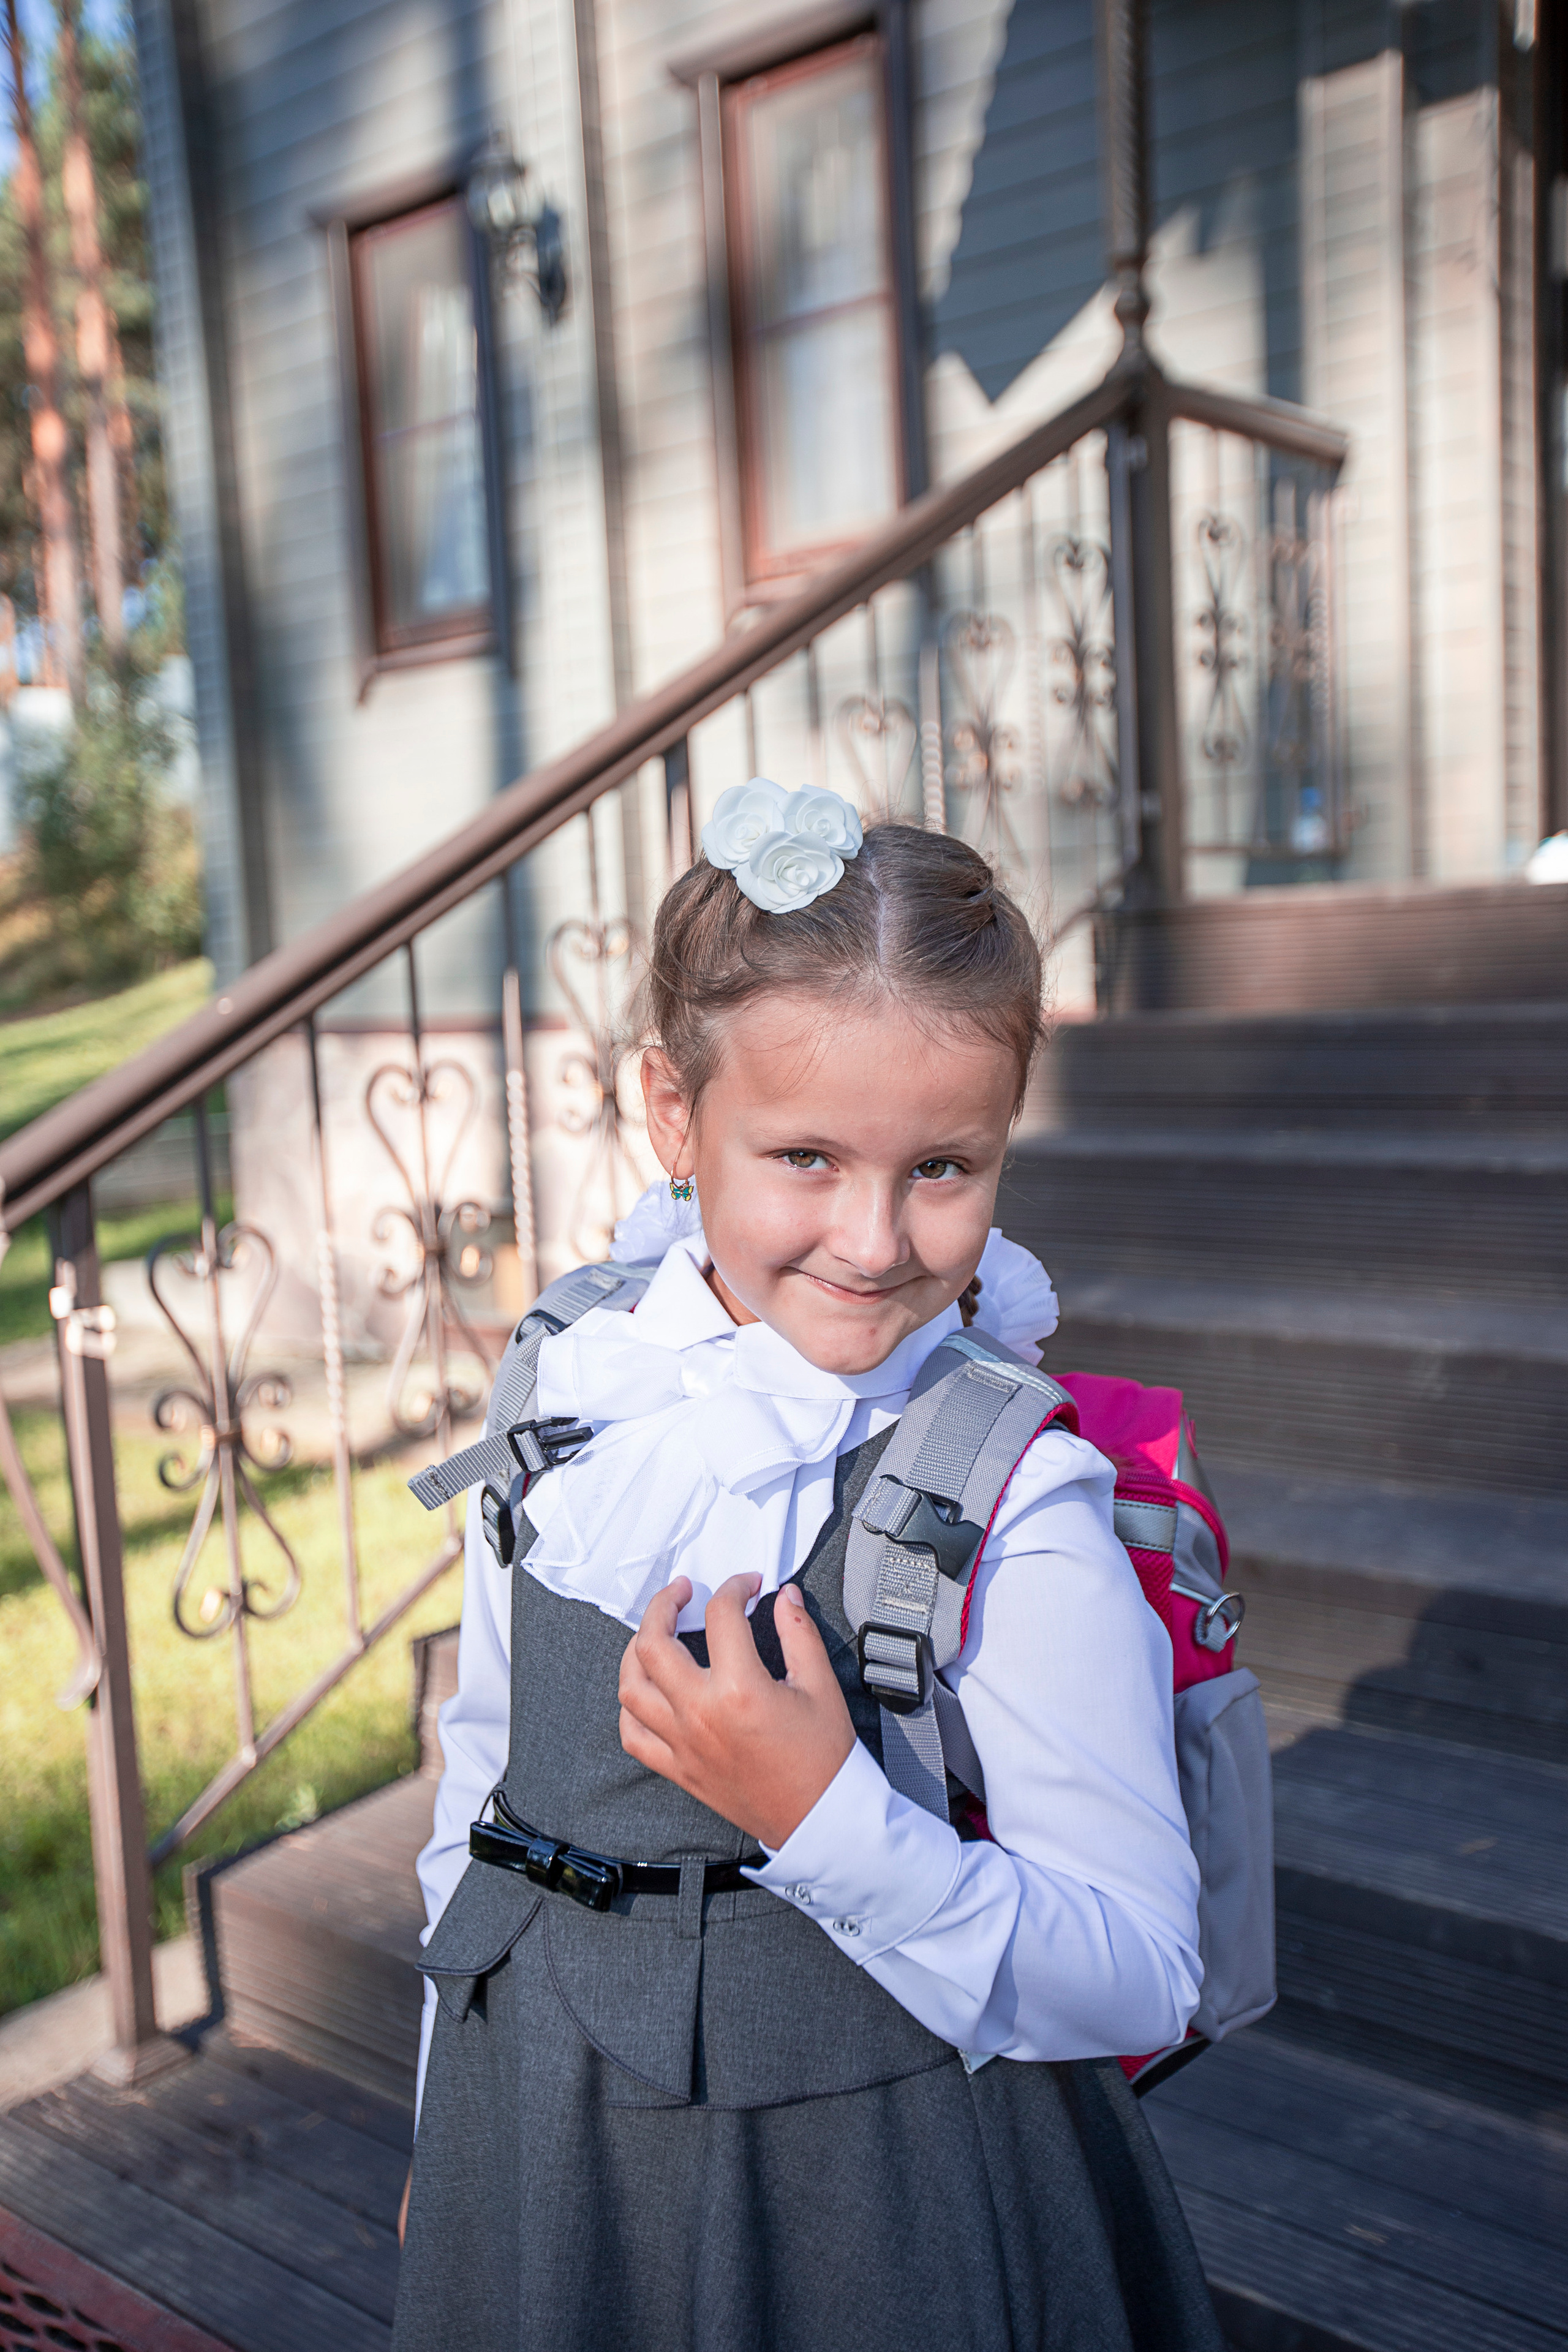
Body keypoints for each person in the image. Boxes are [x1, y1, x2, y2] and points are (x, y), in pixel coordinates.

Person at [391, 785, 1223, 2352]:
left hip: (869, 2196)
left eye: (942, 1170)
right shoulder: (575, 1389)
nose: (871, 1239)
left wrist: (824, 1818)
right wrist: (451, 2121)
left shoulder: (1010, 1501)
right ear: (667, 1112)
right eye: (804, 1157)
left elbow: (1136, 1972)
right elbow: (484, 1793)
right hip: (543, 2142)